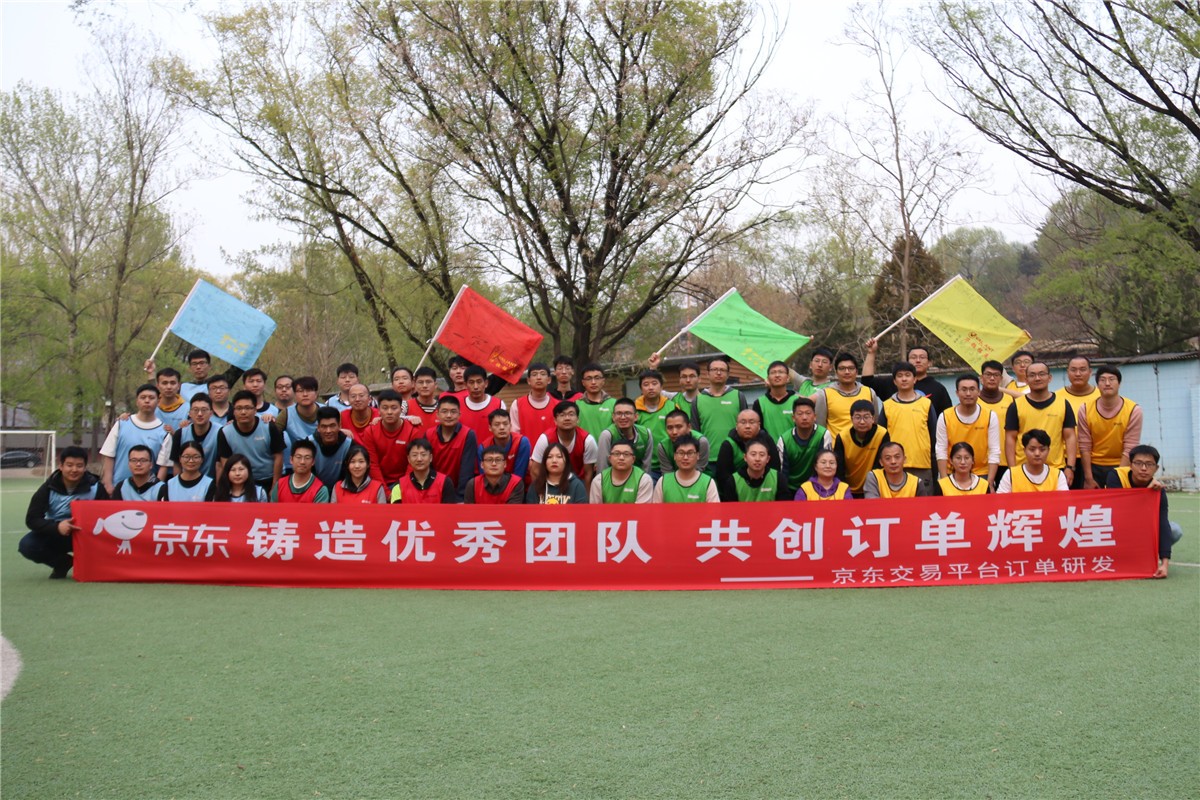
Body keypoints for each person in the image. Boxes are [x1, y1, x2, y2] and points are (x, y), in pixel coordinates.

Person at [18, 446, 107, 579]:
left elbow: (108, 516)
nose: (74, 470)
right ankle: (62, 562)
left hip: (87, 535)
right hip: (57, 533)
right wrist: (57, 527)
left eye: (79, 466)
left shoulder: (96, 487)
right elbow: (32, 519)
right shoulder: (48, 488)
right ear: (61, 466)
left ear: (85, 467)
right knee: (27, 545)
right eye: (69, 465)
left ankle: (96, 565)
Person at [1106, 444, 1181, 578]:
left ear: (1156, 468)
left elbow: (1162, 523)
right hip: (1116, 529)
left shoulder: (1158, 489)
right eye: (1138, 463)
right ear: (1130, 465)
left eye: (1149, 464)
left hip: (1140, 530)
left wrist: (1164, 564)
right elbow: (1120, 511)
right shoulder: (1116, 476)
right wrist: (1146, 493)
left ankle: (1142, 557)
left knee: (1174, 530)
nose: (1144, 468)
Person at [1004, 361, 1077, 481]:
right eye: (1032, 375)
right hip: (1023, 469)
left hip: (1055, 468)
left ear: (1049, 378)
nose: (1037, 378)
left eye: (1041, 374)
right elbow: (1010, 439)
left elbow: (1070, 437)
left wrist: (1070, 467)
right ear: (1026, 380)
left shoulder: (1063, 404)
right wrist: (1012, 470)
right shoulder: (1016, 406)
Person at [1078, 365, 1142, 489]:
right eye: (1102, 380)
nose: (1107, 383)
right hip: (1093, 466)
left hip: (1122, 465)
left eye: (1112, 379)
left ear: (1119, 383)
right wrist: (1088, 478)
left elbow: (1130, 446)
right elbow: (1084, 445)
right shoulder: (1085, 409)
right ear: (1097, 385)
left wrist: (1119, 476)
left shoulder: (1133, 410)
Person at [100, 382, 168, 495]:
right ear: (137, 401)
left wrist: (156, 491)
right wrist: (108, 484)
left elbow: (163, 466)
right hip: (117, 489)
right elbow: (109, 455)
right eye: (143, 397)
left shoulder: (164, 432)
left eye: (151, 398)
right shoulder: (121, 424)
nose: (147, 401)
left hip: (146, 493)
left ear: (158, 401)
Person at [935, 374, 1001, 488]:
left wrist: (990, 482)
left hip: (982, 473)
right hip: (953, 473)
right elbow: (941, 449)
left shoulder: (990, 416)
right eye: (964, 389)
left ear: (979, 392)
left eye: (972, 389)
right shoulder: (945, 416)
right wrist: (944, 480)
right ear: (957, 393)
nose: (968, 393)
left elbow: (994, 450)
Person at [879, 361, 938, 483]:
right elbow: (881, 437)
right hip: (894, 465)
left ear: (915, 379)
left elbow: (934, 436)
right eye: (900, 376)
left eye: (907, 375)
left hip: (922, 464)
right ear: (894, 381)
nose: (904, 379)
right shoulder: (887, 405)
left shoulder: (926, 404)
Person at [216, 389, 285, 491]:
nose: (243, 412)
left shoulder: (269, 427)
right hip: (242, 481)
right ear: (233, 411)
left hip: (269, 479)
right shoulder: (225, 432)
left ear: (255, 410)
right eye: (239, 408)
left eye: (247, 408)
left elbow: (278, 456)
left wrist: (274, 486)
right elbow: (225, 462)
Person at [862, 340, 953, 416]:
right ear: (907, 361)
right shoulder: (894, 382)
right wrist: (871, 353)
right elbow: (867, 382)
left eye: (922, 357)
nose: (918, 360)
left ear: (929, 363)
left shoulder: (938, 389)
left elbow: (946, 417)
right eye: (913, 357)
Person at [812, 352, 883, 440]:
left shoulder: (869, 392)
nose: (847, 372)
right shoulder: (825, 394)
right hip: (836, 447)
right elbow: (820, 427)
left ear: (856, 372)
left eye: (851, 368)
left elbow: (875, 423)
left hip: (865, 447)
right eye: (842, 368)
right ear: (836, 372)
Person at [691, 355, 747, 463]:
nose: (718, 373)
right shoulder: (698, 400)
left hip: (735, 458)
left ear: (728, 374)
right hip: (707, 459)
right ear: (708, 374)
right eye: (714, 369)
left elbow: (745, 427)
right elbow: (695, 432)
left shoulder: (738, 396)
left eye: (722, 370)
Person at [360, 389, 421, 488]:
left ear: (401, 409)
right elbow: (373, 464)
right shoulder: (370, 431)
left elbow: (413, 463)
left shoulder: (413, 431)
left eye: (394, 408)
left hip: (407, 481)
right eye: (385, 408)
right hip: (378, 482)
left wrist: (402, 487)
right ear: (379, 410)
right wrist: (384, 489)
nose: (389, 412)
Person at [529, 400, 597, 489]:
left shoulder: (588, 440)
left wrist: (585, 495)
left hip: (578, 483)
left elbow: (588, 473)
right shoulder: (545, 439)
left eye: (571, 414)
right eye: (562, 415)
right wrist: (542, 492)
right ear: (555, 420)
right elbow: (535, 470)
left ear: (577, 419)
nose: (567, 418)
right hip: (550, 483)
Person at [832, 399, 890, 498]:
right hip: (848, 489)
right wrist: (843, 491)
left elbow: (881, 464)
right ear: (851, 419)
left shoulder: (882, 434)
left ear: (873, 418)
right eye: (858, 417)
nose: (862, 422)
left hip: (874, 488)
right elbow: (839, 468)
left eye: (866, 417)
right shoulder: (842, 437)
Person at [777, 396, 834, 497]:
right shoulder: (784, 440)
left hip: (816, 487)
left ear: (815, 417)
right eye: (800, 414)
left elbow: (825, 466)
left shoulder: (823, 435)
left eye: (808, 413)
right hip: (791, 488)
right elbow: (783, 473)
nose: (804, 417)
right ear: (793, 418)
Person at [426, 395, 479, 499]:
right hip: (434, 491)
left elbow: (466, 470)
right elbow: (427, 466)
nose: (449, 415)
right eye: (444, 411)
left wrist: (460, 498)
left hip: (459, 493)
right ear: (437, 414)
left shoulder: (468, 435)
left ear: (459, 415)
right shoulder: (429, 434)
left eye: (453, 412)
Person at [160, 392, 222, 480]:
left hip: (211, 482)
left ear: (211, 413)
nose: (200, 414)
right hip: (186, 481)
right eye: (195, 410)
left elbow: (220, 465)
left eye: (204, 410)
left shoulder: (220, 432)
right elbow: (177, 464)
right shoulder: (180, 434)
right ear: (189, 413)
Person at [715, 408, 782, 478]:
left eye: (752, 422)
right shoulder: (728, 444)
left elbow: (775, 471)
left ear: (759, 426)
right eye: (743, 422)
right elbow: (722, 476)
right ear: (736, 426)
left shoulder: (766, 440)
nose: (747, 426)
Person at [651, 435, 719, 503]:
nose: (685, 457)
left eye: (690, 453)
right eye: (681, 453)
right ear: (675, 456)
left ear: (698, 455)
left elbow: (714, 509)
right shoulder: (663, 481)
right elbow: (656, 509)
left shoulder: (708, 483)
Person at [634, 368, 675, 478]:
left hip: (670, 463)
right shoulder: (634, 410)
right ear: (641, 388)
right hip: (644, 465)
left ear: (661, 387)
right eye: (646, 384)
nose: (650, 387)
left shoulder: (672, 407)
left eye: (654, 383)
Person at [997, 429, 1068, 493]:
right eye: (1032, 449)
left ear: (1048, 451)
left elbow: (1064, 500)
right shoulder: (1010, 474)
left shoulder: (1058, 475)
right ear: (1024, 450)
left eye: (1042, 449)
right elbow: (1000, 500)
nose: (1037, 453)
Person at [275, 376, 322, 471]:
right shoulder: (286, 413)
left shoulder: (326, 410)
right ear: (295, 394)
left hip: (323, 459)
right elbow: (274, 436)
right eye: (300, 391)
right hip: (299, 461)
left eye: (309, 390)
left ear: (316, 393)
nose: (305, 394)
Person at [596, 397, 654, 474]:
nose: (623, 417)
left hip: (639, 477)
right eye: (619, 413)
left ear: (636, 417)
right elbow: (603, 468)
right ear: (613, 417)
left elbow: (647, 467)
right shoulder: (607, 435)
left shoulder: (646, 434)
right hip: (614, 477)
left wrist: (643, 480)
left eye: (627, 413)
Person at [391, 438, 458, 504]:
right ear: (408, 459)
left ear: (430, 457)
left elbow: (449, 510)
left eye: (423, 454)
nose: (419, 459)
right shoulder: (399, 486)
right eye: (414, 455)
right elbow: (395, 511)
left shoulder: (445, 483)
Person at [717, 440, 786, 502]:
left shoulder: (778, 478)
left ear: (768, 459)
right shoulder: (733, 481)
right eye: (753, 454)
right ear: (745, 457)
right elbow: (729, 509)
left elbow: (784, 507)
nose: (757, 459)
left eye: (762, 455)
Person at [589, 440, 654, 503]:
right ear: (610, 458)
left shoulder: (644, 479)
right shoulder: (599, 480)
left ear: (633, 459)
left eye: (626, 454)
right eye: (617, 454)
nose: (621, 458)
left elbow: (642, 509)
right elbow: (595, 509)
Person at [479, 408, 531, 484]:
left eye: (505, 424)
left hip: (517, 486)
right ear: (490, 428)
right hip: (492, 486)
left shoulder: (522, 442)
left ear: (510, 425)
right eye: (497, 424)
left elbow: (519, 476)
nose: (502, 428)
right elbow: (485, 477)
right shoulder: (483, 447)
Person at [510, 362, 557, 445]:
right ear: (528, 381)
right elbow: (514, 435)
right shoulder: (517, 404)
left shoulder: (557, 405)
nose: (538, 378)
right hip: (526, 452)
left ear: (549, 380)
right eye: (534, 374)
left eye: (543, 374)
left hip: (552, 452)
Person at [862, 441, 930, 499]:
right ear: (881, 462)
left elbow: (923, 507)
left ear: (904, 459)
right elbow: (872, 505)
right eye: (888, 458)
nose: (893, 462)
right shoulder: (874, 477)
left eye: (897, 457)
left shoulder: (916, 483)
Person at [752, 360, 798, 445]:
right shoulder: (759, 403)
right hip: (768, 450)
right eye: (773, 372)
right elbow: (757, 432)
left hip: (793, 450)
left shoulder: (797, 401)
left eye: (781, 372)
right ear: (768, 378)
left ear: (788, 378)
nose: (777, 375)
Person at [656, 409, 711, 475]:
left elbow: (700, 468)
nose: (674, 432)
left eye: (679, 427)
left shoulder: (701, 442)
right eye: (670, 428)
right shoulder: (663, 446)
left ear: (689, 427)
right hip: (673, 477)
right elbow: (667, 472)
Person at [310, 406, 354, 488]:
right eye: (324, 426)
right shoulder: (309, 443)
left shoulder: (349, 445)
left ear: (339, 426)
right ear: (318, 428)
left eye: (332, 426)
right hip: (315, 489)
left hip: (342, 489)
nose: (328, 431)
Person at [459, 365, 505, 441]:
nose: (476, 387)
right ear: (465, 385)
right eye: (471, 382)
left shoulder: (498, 404)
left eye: (479, 382)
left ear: (486, 383)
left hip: (493, 448)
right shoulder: (458, 406)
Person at [575, 362, 615, 439]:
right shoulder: (576, 405)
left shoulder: (614, 404)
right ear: (583, 382)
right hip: (584, 446)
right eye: (589, 379)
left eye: (597, 378)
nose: (593, 382)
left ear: (603, 381)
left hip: (608, 446)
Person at [409, 366, 441, 431]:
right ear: (415, 385)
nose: (424, 386)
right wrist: (408, 418)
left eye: (428, 382)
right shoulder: (405, 406)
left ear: (435, 385)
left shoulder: (443, 408)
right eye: (420, 382)